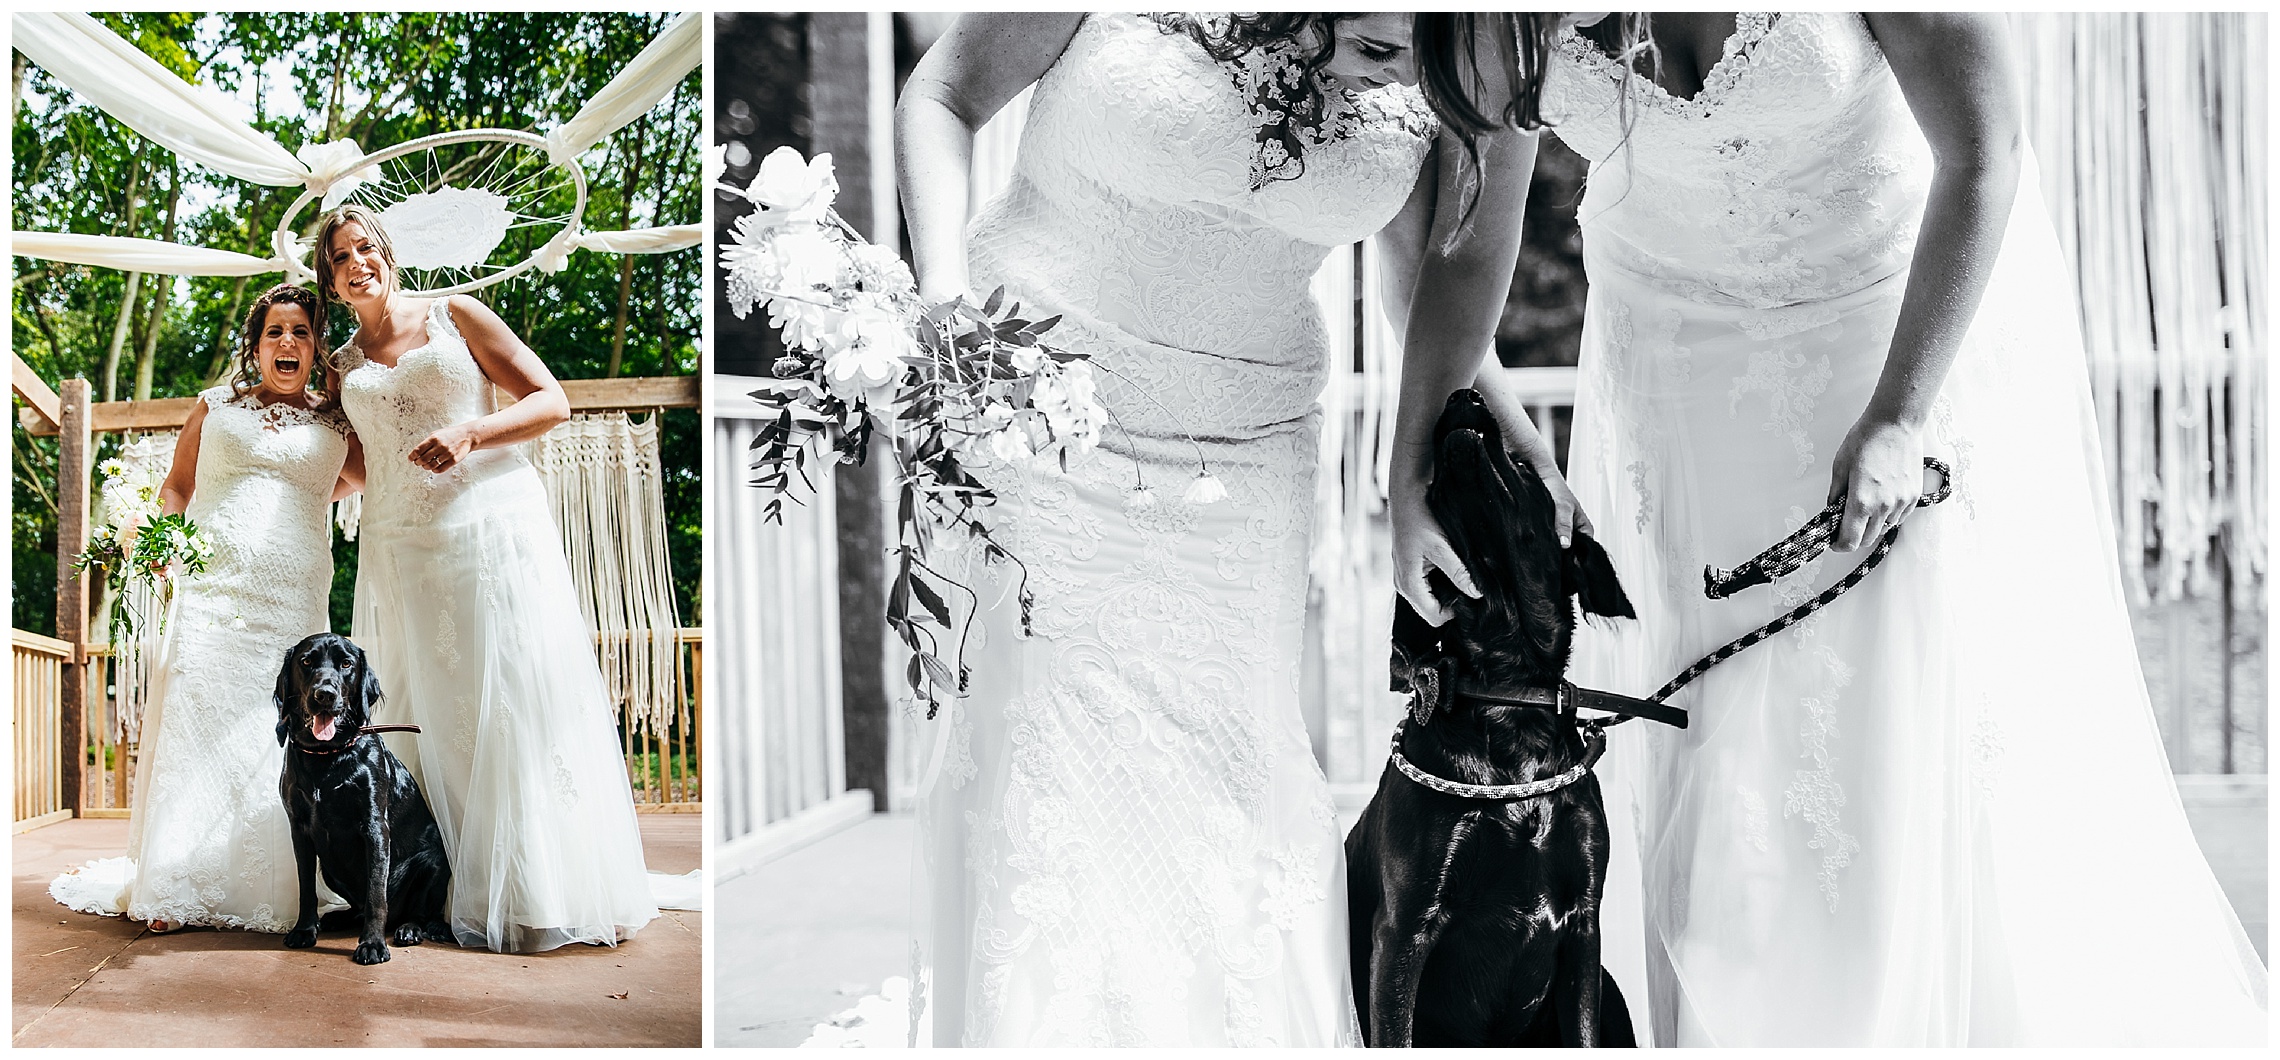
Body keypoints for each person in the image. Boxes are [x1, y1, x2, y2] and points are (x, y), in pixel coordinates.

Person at [1395, 12, 2268, 1046]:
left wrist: (1900, 416)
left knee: (1888, 740)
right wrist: (1410, 467)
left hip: (1885, 351)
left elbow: (1985, 151)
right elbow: (1458, 252)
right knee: (1719, 777)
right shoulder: (1503, 19)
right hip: (1679, 396)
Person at [893, 11, 1577, 1046]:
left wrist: (1417, 472)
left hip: (1244, 456)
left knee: (1233, 780)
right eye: (1383, 47)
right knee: (1059, 783)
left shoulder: (1487, 37)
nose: (1377, 76)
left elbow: (1446, 267)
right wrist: (941, 299)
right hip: (1036, 418)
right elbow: (941, 96)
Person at [319, 203, 658, 953]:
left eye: (366, 247)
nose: (357, 263)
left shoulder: (455, 315)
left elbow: (551, 400)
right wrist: (282, 479)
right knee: (427, 712)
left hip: (486, 529)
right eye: (341, 256)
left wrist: (473, 431)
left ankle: (533, 885)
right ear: (330, 277)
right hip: (399, 546)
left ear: (388, 252)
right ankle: (427, 884)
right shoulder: (341, 365)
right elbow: (357, 466)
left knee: (499, 703)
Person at [50, 284, 360, 933]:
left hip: (295, 599)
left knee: (280, 733)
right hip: (213, 591)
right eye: (275, 331)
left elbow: (362, 475)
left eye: (301, 332)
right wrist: (159, 540)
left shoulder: (334, 420)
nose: (288, 343)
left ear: (315, 346)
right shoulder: (215, 406)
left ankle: (284, 886)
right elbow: (176, 488)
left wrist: (302, 501)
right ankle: (177, 882)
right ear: (255, 345)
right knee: (200, 717)